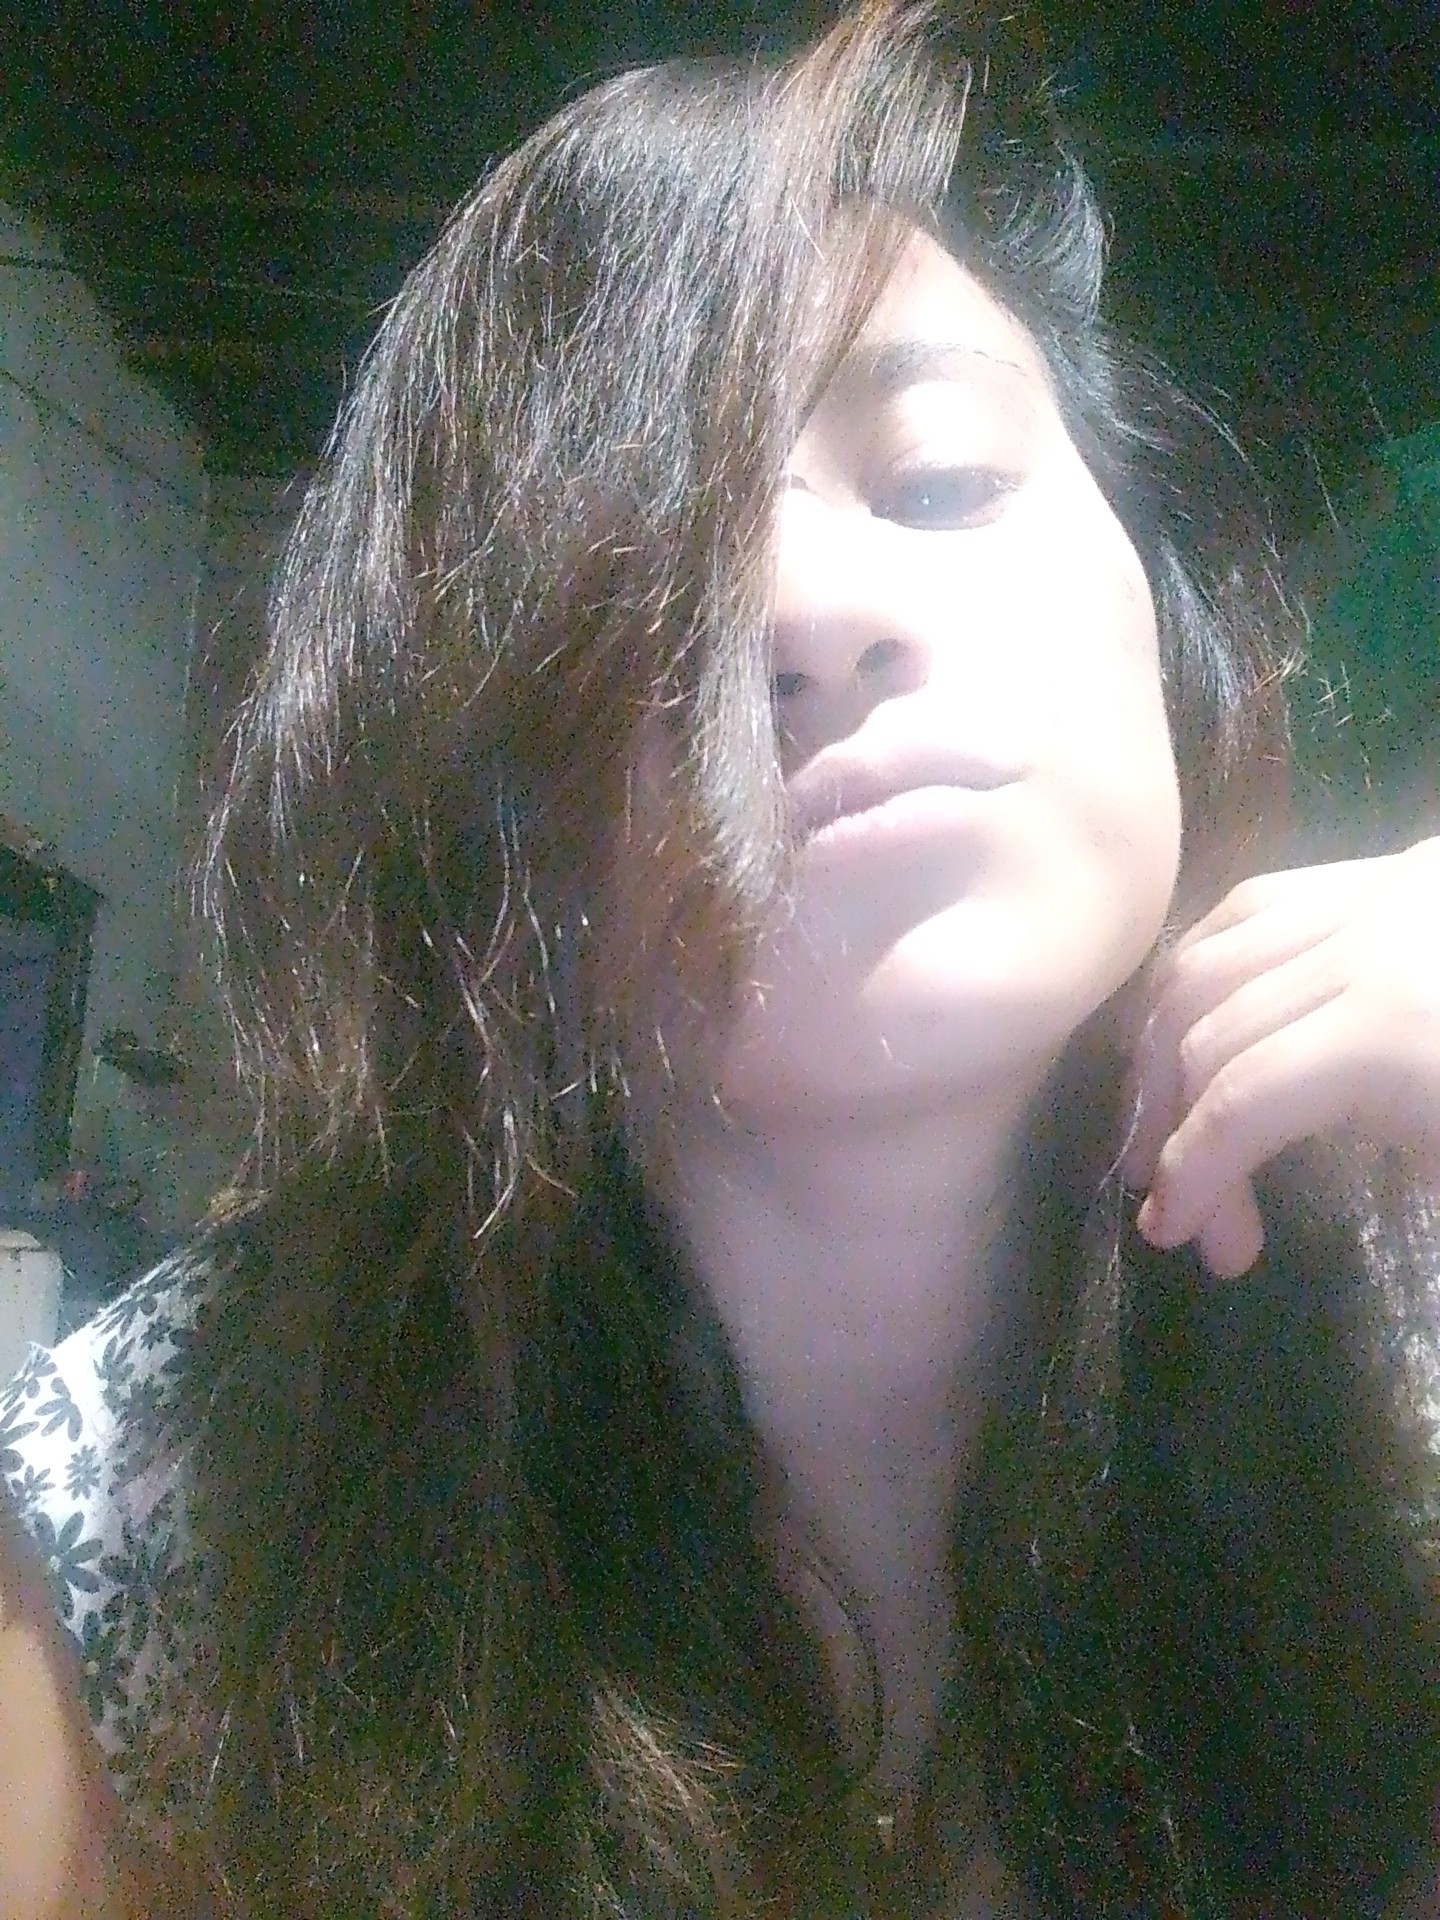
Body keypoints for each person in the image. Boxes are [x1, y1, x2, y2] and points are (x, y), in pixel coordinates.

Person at [2, 3, 1439, 1914]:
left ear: (1163, 621)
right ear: (489, 812)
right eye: (642, 567)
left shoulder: (1408, 1302)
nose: (811, 610)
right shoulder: (174, 1484)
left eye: (941, 480)